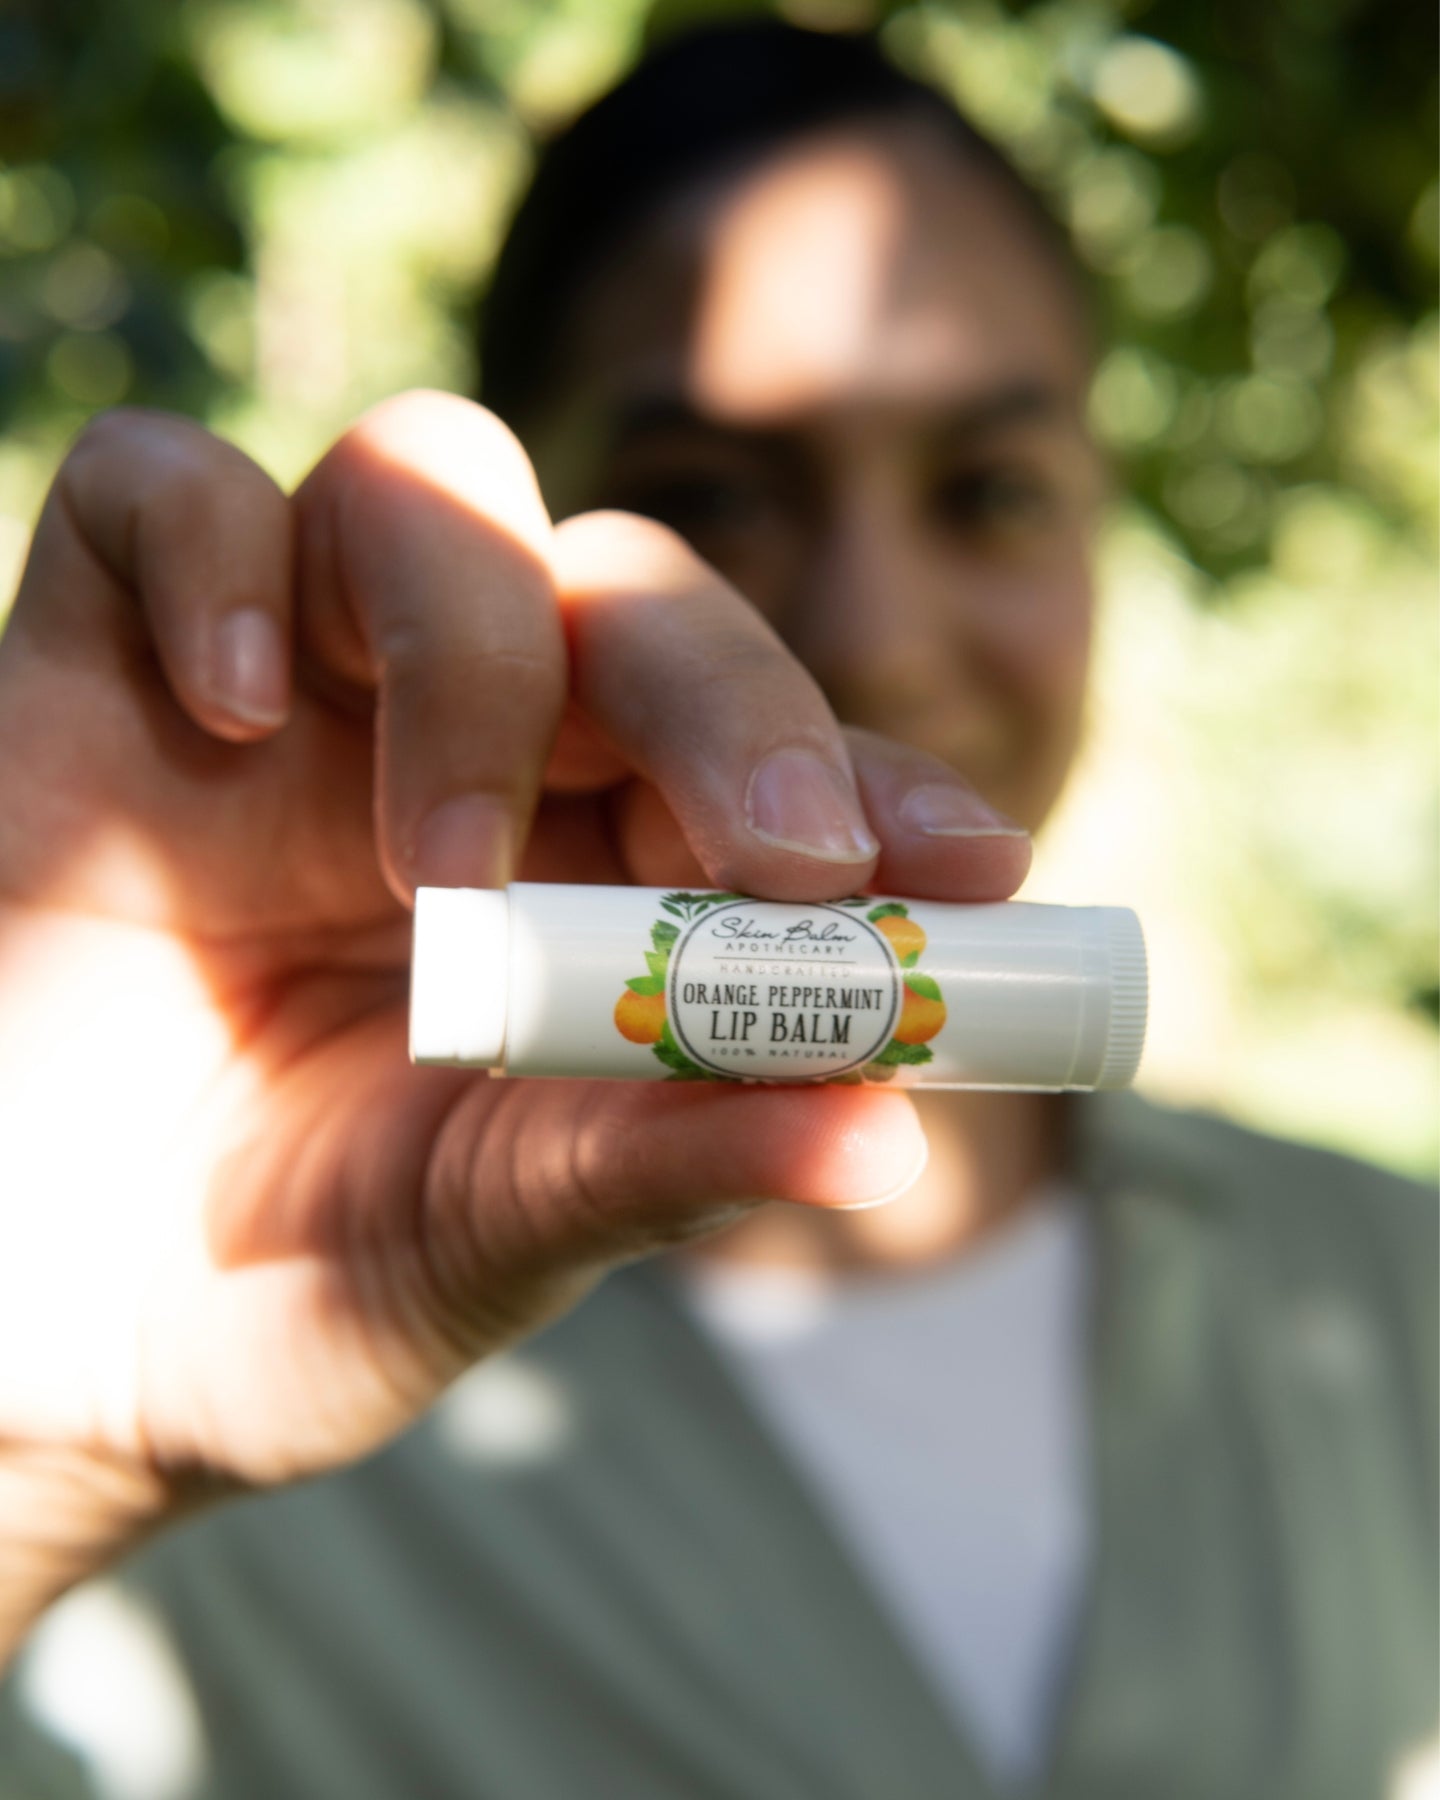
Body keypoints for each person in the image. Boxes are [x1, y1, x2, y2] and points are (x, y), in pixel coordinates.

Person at [0, 21, 1433, 1799]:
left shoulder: (1391, 1300)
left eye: (986, 489)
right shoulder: (226, 1304)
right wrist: (26, 1465)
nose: (878, 627)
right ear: (512, 520)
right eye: (711, 496)